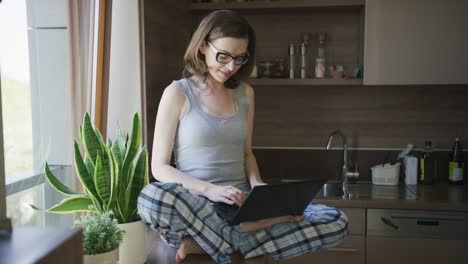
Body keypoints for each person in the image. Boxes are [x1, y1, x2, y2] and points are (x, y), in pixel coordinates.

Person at [137, 10, 348, 264]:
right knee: (151, 198)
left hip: (242, 206)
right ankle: (245, 235)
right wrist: (211, 191)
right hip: (195, 206)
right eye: (223, 56)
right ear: (202, 46)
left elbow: (247, 154)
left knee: (336, 220)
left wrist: (257, 185)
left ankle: (209, 243)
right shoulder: (178, 93)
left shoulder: (245, 93)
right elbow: (159, 168)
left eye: (239, 58)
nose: (230, 67)